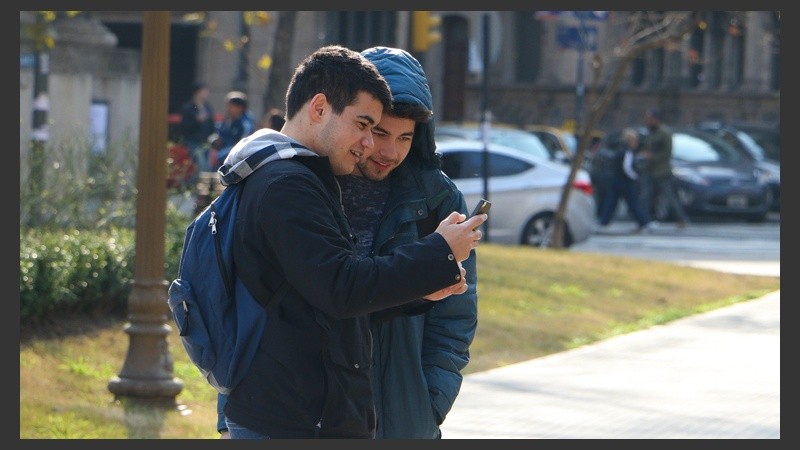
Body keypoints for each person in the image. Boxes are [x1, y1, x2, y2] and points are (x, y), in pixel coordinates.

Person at [213, 44, 485, 439]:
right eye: (373, 130)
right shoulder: (298, 185)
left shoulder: (437, 200)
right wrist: (230, 414)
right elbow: (256, 304)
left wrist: (429, 403)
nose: (387, 151)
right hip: (300, 413)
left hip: (399, 417)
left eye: (406, 137)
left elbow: (454, 320)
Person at [638, 108, 689, 229]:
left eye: (650, 119)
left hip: (662, 171)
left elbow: (667, 152)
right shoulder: (650, 132)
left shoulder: (664, 133)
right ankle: (643, 220)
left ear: (655, 120)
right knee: (645, 196)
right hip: (649, 169)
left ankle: (681, 219)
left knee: (669, 196)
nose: (647, 121)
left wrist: (652, 156)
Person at [596, 128, 652, 232]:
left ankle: (604, 222)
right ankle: (644, 222)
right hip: (625, 182)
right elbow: (627, 168)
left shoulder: (620, 150)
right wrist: (635, 177)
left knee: (611, 203)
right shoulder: (627, 152)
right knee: (633, 203)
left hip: (616, 181)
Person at [209, 90, 256, 170]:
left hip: (238, 154)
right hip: (225, 148)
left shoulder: (245, 123)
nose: (228, 109)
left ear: (240, 108)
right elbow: (220, 132)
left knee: (221, 155)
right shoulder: (229, 119)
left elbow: (242, 143)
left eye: (231, 106)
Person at [179, 83, 216, 173]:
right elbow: (184, 126)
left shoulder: (208, 107)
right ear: (196, 93)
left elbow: (212, 124)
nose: (205, 95)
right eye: (203, 93)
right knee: (203, 166)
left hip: (205, 142)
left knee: (205, 165)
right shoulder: (188, 108)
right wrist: (197, 121)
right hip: (193, 141)